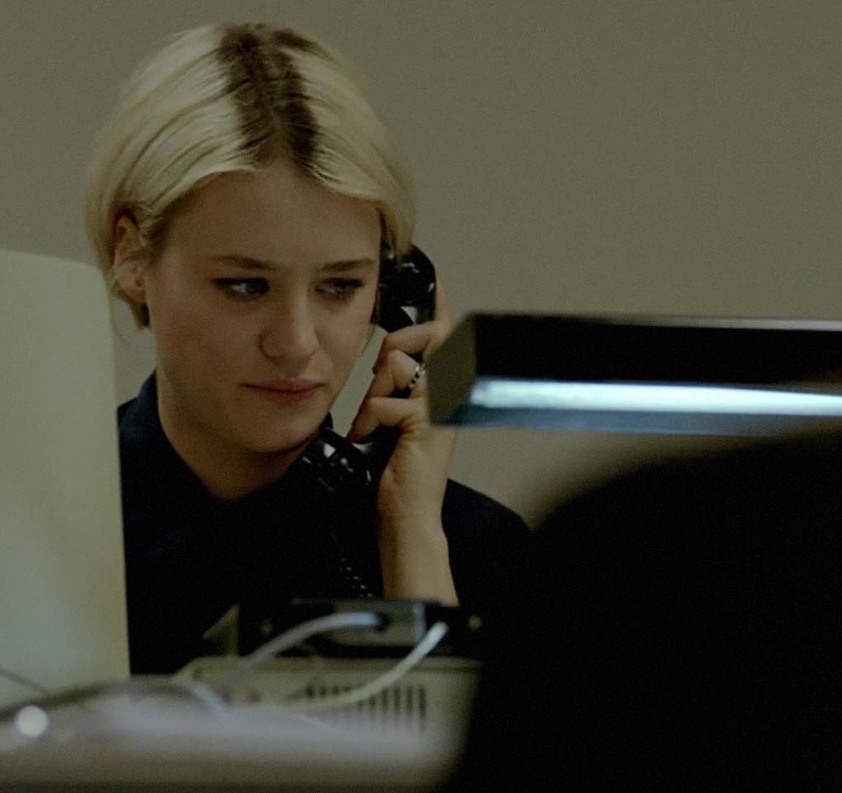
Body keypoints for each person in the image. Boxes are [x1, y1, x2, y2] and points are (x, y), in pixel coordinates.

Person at [84, 22, 529, 674]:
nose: (294, 343)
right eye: (245, 285)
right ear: (132, 258)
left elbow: (489, 779)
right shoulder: (26, 530)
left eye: (339, 286)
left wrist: (411, 539)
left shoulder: (474, 548)